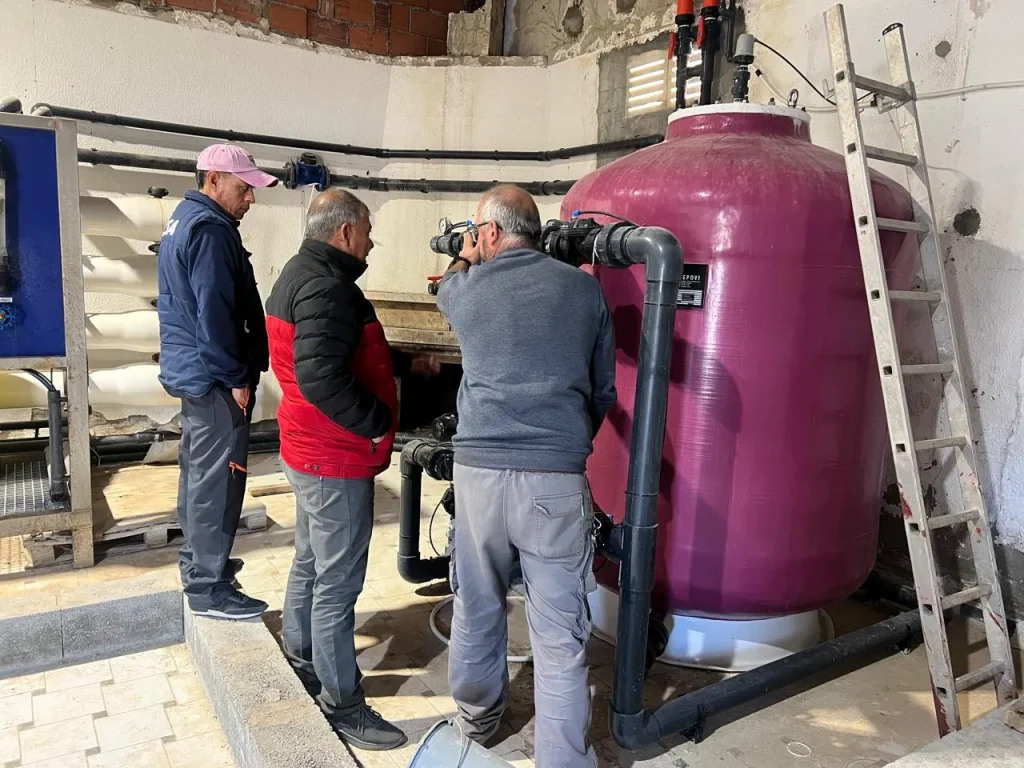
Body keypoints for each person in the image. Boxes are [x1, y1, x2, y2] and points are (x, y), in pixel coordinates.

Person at [436, 184, 617, 767]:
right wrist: (565, 443)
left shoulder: (466, 288)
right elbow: (603, 391)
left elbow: (447, 286)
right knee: (560, 633)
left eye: (477, 232)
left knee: (477, 603)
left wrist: (463, 255)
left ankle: (476, 720)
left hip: (479, 478)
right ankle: (562, 760)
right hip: (555, 480)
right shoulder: (585, 290)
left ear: (490, 232)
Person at [266, 189, 437, 751]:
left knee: (311, 562)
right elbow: (321, 376)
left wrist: (406, 363)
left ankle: (301, 658)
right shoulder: (327, 286)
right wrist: (376, 422)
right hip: (333, 456)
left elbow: (333, 350)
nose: (371, 241)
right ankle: (342, 703)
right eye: (366, 230)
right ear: (344, 232)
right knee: (338, 584)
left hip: (305, 447)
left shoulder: (302, 272)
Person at [158, 143, 275, 620]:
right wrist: (236, 376)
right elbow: (217, 313)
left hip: (194, 372)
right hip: (214, 378)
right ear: (213, 180)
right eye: (243, 188)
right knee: (217, 482)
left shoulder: (183, 219)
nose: (251, 198)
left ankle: (200, 565)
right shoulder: (209, 230)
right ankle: (209, 588)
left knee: (198, 475)